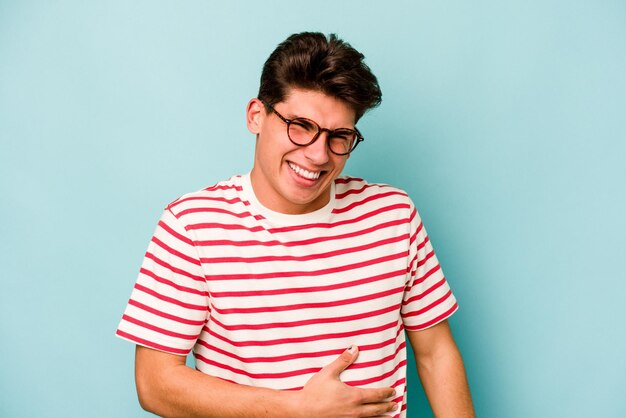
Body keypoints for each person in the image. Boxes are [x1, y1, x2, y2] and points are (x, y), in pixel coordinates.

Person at [116, 31, 475, 417]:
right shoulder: (193, 226)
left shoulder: (393, 215)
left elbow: (436, 354)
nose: (318, 154)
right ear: (257, 115)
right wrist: (297, 408)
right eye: (300, 126)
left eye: (339, 136)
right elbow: (154, 383)